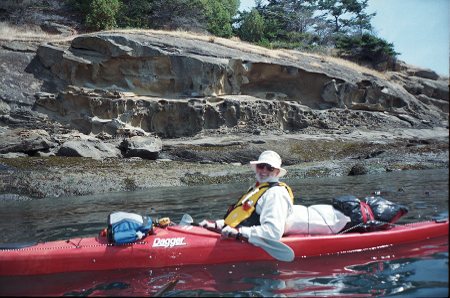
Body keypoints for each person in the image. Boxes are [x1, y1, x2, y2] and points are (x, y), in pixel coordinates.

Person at [199, 150, 294, 244]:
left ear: (277, 172)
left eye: (270, 168)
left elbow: (273, 232)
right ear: (256, 168)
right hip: (235, 235)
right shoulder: (255, 189)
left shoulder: (275, 193)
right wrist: (218, 225)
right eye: (261, 166)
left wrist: (239, 233)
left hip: (247, 239)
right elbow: (243, 218)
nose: (264, 170)